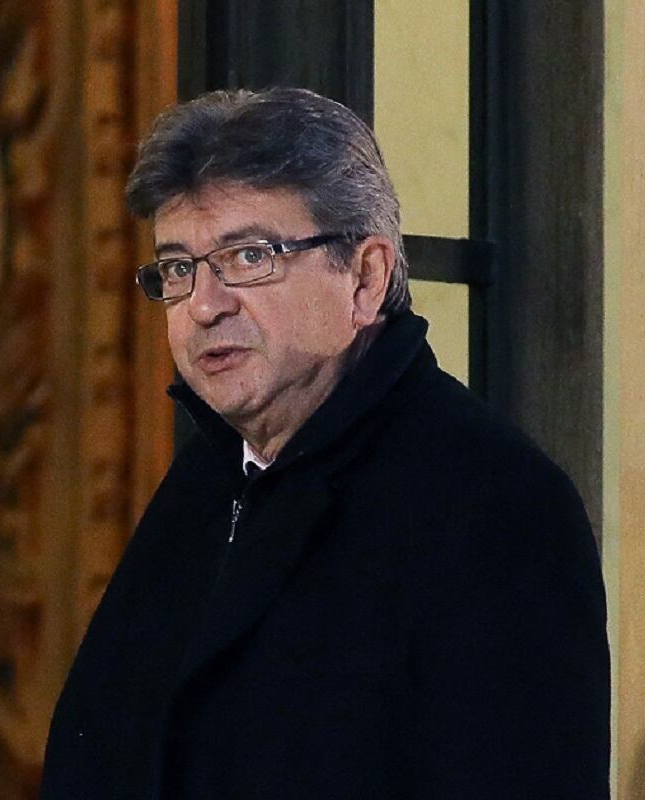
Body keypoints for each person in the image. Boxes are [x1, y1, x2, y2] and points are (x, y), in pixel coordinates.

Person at [41, 87, 609, 798]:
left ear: (365, 278)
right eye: (180, 267)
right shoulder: (206, 481)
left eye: (249, 256)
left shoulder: (495, 506)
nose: (204, 306)